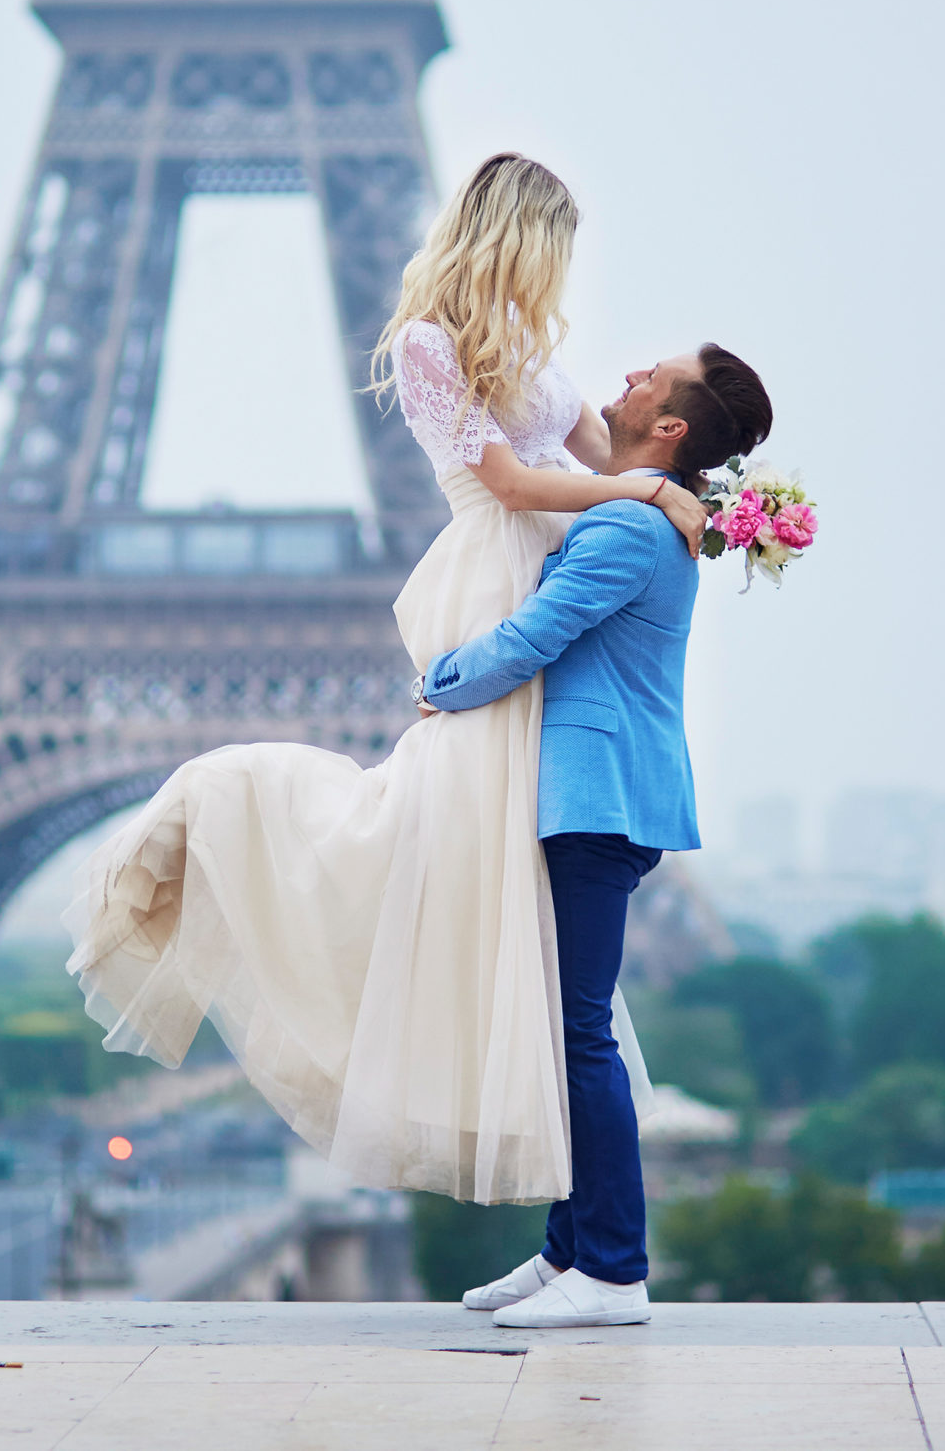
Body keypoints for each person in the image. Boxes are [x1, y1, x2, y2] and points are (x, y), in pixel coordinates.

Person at [63, 152, 709, 1206]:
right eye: (555, 249)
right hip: (495, 564)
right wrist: (638, 489)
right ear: (518, 236)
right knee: (452, 815)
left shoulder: (531, 348)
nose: (561, 274)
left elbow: (602, 459)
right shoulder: (428, 342)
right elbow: (505, 477)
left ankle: (571, 1233)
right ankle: (230, 821)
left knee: (500, 856)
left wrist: (702, 496)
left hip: (550, 556)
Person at [432, 342, 772, 1329]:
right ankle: (568, 1252)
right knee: (568, 1028)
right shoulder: (635, 507)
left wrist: (436, 683)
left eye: (647, 379)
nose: (622, 379)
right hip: (596, 795)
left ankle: (613, 1266)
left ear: (669, 428)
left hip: (595, 799)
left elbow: (536, 634)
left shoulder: (626, 526)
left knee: (580, 1033)